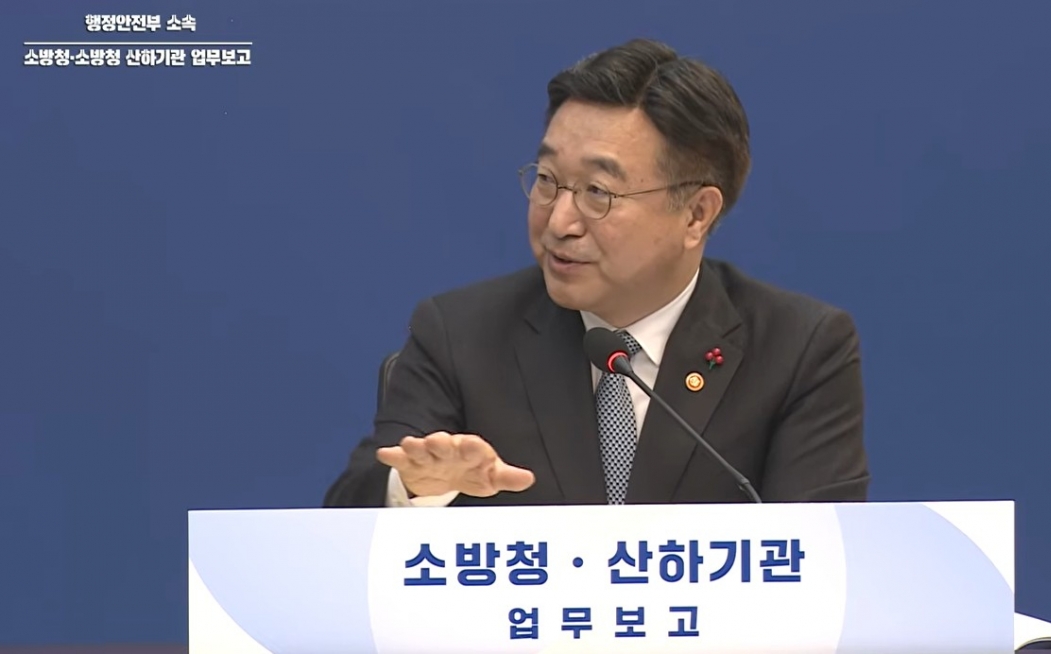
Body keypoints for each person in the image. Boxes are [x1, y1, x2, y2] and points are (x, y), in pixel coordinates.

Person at [323, 38, 869, 509]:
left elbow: (822, 559)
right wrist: (417, 488)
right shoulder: (460, 335)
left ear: (696, 215)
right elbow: (348, 518)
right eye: (547, 179)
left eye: (598, 192)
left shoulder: (798, 349)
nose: (559, 222)